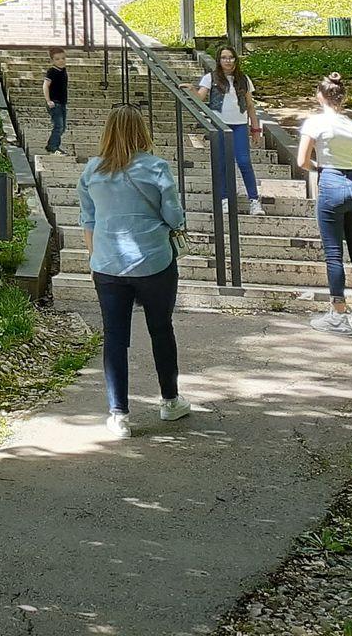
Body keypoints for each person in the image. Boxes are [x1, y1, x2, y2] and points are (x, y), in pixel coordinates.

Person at [79, 103, 191, 438]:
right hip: (153, 261)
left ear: (107, 132)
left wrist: (96, 257)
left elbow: (88, 221)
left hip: (108, 265)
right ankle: (170, 401)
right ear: (142, 131)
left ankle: (119, 415)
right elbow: (174, 218)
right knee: (161, 329)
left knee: (114, 337)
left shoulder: (92, 172)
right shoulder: (156, 168)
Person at [299, 72, 352, 335]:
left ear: (319, 96)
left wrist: (321, 166)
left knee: (334, 255)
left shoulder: (314, 123)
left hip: (330, 183)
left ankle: (338, 314)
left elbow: (302, 160)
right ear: (344, 97)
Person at [192, 46, 265, 215]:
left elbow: (250, 105)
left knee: (244, 161)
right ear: (219, 60)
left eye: (231, 57)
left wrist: (255, 128)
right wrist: (191, 89)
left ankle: (254, 200)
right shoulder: (210, 78)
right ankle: (224, 199)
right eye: (224, 57)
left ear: (235, 59)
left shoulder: (243, 79)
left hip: (239, 125)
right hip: (220, 125)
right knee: (222, 163)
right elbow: (200, 98)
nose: (228, 61)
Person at [42, 47, 69, 153]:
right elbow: (45, 86)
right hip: (54, 103)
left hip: (62, 103)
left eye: (63, 58)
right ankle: (53, 147)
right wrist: (48, 100)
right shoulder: (52, 71)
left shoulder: (63, 71)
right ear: (52, 61)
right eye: (57, 59)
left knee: (62, 127)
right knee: (58, 125)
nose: (61, 61)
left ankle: (51, 144)